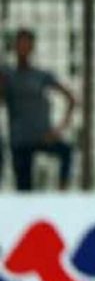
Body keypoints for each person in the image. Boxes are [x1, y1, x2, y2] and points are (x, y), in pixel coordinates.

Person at [0, 29, 76, 191]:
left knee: (66, 152)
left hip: (42, 135)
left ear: (32, 47)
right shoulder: (8, 75)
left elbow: (71, 98)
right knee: (24, 189)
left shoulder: (41, 75)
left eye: (27, 44)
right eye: (20, 44)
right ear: (15, 46)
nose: (23, 48)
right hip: (20, 139)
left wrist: (59, 128)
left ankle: (63, 192)